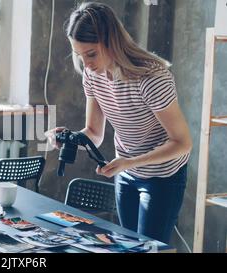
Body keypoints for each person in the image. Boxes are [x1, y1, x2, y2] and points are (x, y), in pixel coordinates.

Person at [49, 2, 192, 244]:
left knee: (148, 248)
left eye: (91, 54)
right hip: (125, 171)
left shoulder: (151, 78)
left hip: (162, 175)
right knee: (128, 245)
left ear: (111, 41)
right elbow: (94, 132)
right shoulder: (92, 76)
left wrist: (132, 161)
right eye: (79, 55)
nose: (86, 64)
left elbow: (182, 142)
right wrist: (69, 138)